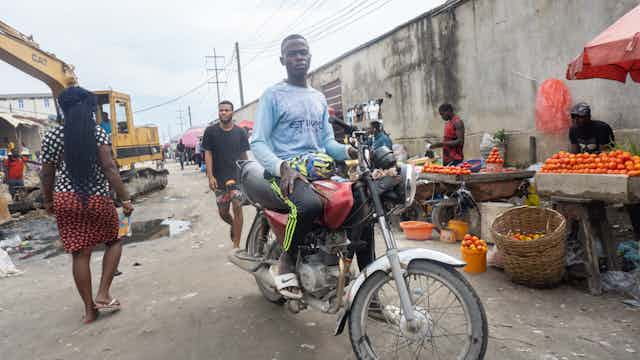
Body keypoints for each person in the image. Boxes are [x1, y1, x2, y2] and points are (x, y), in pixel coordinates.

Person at [251, 34, 359, 298]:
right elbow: (258, 142)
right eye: (293, 53)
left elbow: (327, 144)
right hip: (285, 172)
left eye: (303, 53)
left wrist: (349, 151)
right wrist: (282, 168)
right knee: (308, 205)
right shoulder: (273, 95)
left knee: (360, 204)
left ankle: (368, 286)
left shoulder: (318, 98)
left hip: (317, 169)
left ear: (310, 57)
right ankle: (287, 259)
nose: (299, 58)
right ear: (282, 60)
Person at [40, 86, 134, 324]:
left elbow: (46, 174)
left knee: (80, 254)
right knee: (114, 241)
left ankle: (89, 310)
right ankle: (103, 293)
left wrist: (49, 200)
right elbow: (110, 169)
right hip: (97, 198)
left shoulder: (51, 136)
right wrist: (124, 198)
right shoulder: (97, 133)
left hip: (65, 199)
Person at [202, 100, 249, 248]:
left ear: (232, 112)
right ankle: (233, 225)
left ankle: (236, 246)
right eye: (221, 110)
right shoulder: (210, 131)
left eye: (227, 110)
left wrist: (247, 174)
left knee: (237, 208)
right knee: (223, 212)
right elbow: (208, 154)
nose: (223, 112)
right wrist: (210, 176)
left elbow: (244, 156)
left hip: (236, 177)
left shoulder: (240, 132)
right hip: (219, 178)